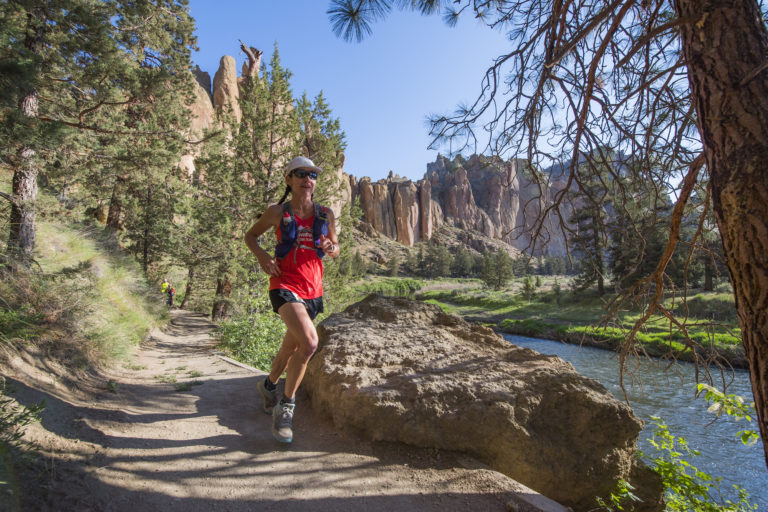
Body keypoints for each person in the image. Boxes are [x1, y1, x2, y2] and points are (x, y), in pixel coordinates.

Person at [244, 156, 339, 443]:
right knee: (310, 343)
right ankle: (286, 409)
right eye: (301, 173)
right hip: (284, 284)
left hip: (313, 289)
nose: (307, 178)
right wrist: (262, 257)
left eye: (312, 174)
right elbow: (251, 236)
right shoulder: (276, 212)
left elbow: (336, 248)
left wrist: (332, 247)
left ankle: (269, 385)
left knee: (291, 347)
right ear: (289, 179)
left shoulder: (326, 213)